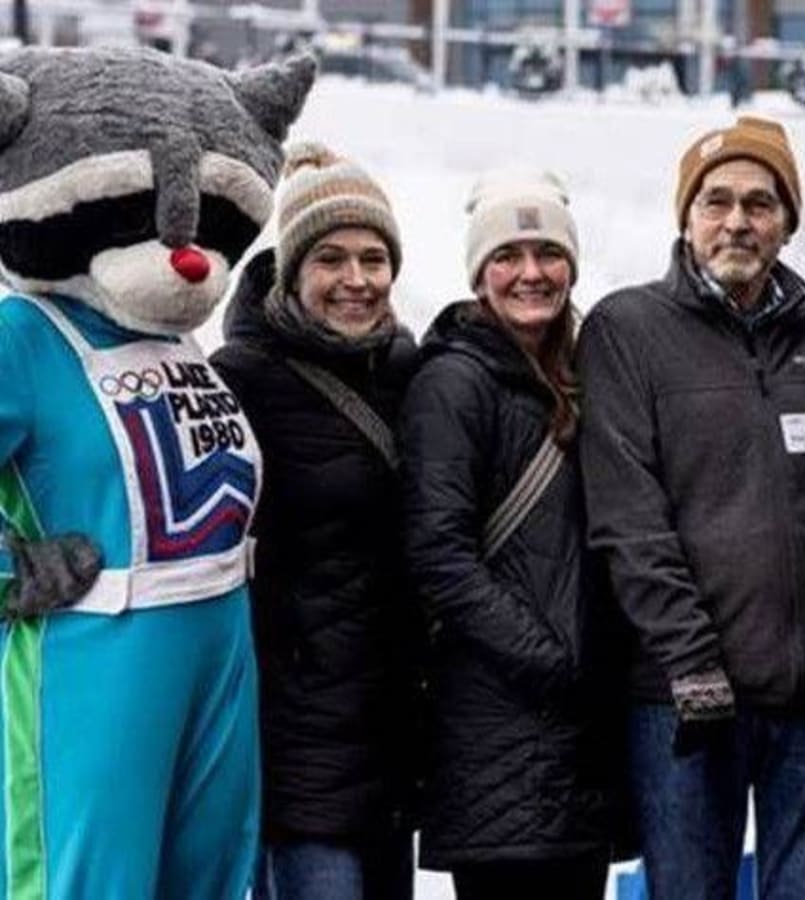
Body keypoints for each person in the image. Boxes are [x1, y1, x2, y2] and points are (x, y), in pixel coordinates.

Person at [0, 47, 313, 898]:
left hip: (216, 633)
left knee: (211, 875)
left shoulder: (173, 335)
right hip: (97, 650)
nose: (185, 260)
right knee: (93, 878)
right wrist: (10, 571)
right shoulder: (23, 334)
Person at [578, 116, 805, 900]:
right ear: (687, 215)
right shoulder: (628, 330)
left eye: (760, 203)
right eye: (716, 201)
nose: (737, 220)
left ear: (787, 222)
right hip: (684, 695)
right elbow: (628, 517)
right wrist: (691, 659)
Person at [210, 143, 419, 900]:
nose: (356, 281)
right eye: (331, 259)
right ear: (293, 270)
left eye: (374, 258)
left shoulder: (403, 367)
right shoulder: (240, 380)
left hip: (391, 739)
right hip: (294, 738)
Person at [400, 170, 615, 900]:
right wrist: (551, 659)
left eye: (548, 253)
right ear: (479, 273)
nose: (532, 273)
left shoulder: (587, 372)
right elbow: (439, 553)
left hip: (573, 735)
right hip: (497, 721)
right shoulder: (454, 384)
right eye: (508, 255)